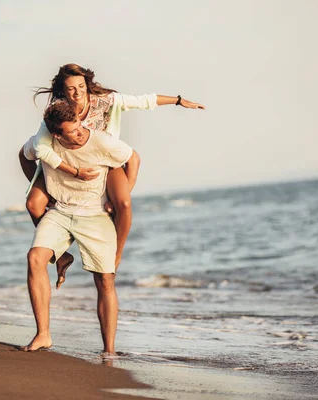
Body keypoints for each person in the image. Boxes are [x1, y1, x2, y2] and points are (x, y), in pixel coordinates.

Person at [21, 63, 204, 289]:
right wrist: (58, 182)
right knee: (34, 204)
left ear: (87, 85)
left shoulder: (107, 100)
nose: (77, 93)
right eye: (70, 89)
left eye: (81, 86)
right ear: (63, 90)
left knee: (124, 203)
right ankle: (61, 255)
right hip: (66, 163)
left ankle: (115, 256)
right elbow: (39, 149)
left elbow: (144, 101)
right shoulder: (58, 113)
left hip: (103, 160)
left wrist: (177, 100)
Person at [19, 100, 140, 355]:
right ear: (56, 135)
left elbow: (133, 159)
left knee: (105, 279)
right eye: (72, 132)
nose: (80, 133)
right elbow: (23, 154)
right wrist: (40, 185)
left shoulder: (101, 142)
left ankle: (109, 350)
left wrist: (122, 192)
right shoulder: (44, 144)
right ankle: (43, 335)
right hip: (60, 211)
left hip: (95, 213)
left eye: (79, 126)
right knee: (35, 258)